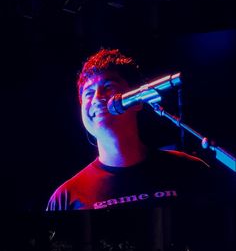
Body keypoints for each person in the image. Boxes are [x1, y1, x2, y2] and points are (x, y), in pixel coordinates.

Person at [46, 47, 214, 212]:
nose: (97, 98)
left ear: (138, 101)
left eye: (109, 87)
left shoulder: (189, 169)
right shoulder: (66, 198)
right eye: (88, 93)